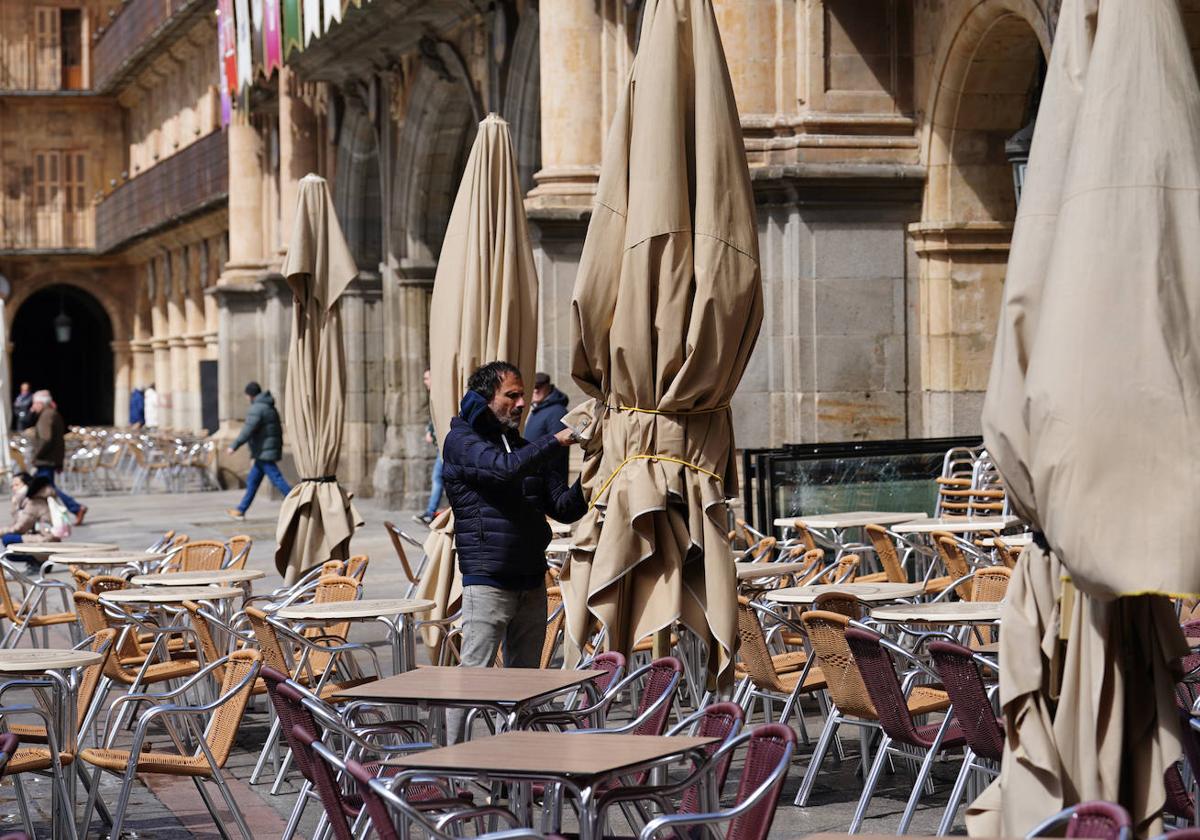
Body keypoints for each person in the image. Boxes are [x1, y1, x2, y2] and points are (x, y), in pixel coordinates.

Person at [442, 361, 585, 742]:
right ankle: (452, 764)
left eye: (523, 395)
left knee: (526, 686)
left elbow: (564, 507)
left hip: (530, 578)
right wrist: (555, 441)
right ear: (486, 399)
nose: (522, 403)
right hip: (487, 580)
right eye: (512, 395)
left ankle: (519, 771)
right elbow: (503, 470)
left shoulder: (523, 447)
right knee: (474, 681)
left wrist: (598, 473)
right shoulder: (461, 441)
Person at [225, 381, 291, 520]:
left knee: (277, 479)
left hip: (263, 451)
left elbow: (247, 430)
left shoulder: (257, 408)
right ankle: (241, 510)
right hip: (265, 450)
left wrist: (234, 445)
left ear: (250, 395)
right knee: (253, 481)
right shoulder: (268, 405)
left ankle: (296, 501)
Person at [29, 390, 86, 525]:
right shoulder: (52, 413)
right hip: (51, 459)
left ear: (41, 403)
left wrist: (37, 455)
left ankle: (76, 508)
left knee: (48, 488)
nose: (33, 407)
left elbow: (46, 439)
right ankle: (47, 515)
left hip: (46, 459)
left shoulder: (46, 415)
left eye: (35, 404)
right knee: (46, 488)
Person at [3, 472, 62, 573]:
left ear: (27, 485)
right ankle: (37, 561)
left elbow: (21, 526)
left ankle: (38, 560)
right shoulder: (34, 499)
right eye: (12, 485)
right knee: (9, 541)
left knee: (8, 539)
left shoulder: (34, 502)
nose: (14, 488)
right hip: (45, 538)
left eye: (17, 485)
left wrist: (2, 531)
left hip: (46, 540)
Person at [523, 372, 570, 482]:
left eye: (539, 387)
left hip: (549, 483)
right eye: (532, 387)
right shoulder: (537, 410)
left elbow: (556, 450)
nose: (535, 390)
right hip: (534, 479)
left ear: (548, 386)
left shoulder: (557, 411)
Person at [414, 368, 443, 526]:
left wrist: (431, 432)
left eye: (427, 378)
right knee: (439, 479)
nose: (425, 382)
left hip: (443, 448)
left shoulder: (438, 396)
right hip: (440, 447)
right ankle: (431, 512)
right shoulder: (433, 397)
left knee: (438, 479)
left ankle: (431, 512)